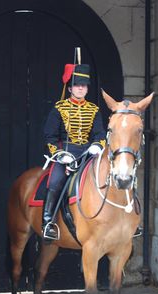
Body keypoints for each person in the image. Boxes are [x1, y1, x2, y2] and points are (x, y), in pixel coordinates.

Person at [42, 63, 106, 241]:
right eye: (77, 85)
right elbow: (50, 136)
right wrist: (60, 154)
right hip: (65, 153)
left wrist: (98, 145)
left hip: (88, 153)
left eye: (83, 85)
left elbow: (100, 133)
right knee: (55, 181)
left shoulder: (94, 110)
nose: (80, 88)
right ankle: (48, 222)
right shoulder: (60, 108)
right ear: (70, 88)